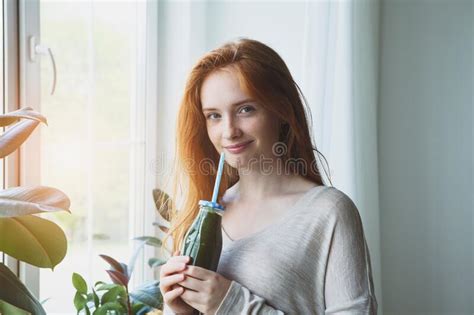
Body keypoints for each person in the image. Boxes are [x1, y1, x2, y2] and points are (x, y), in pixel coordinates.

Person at [159, 38, 378, 314]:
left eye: (245, 109)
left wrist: (233, 305)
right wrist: (177, 308)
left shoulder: (329, 213)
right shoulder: (204, 215)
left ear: (282, 111)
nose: (229, 131)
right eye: (214, 116)